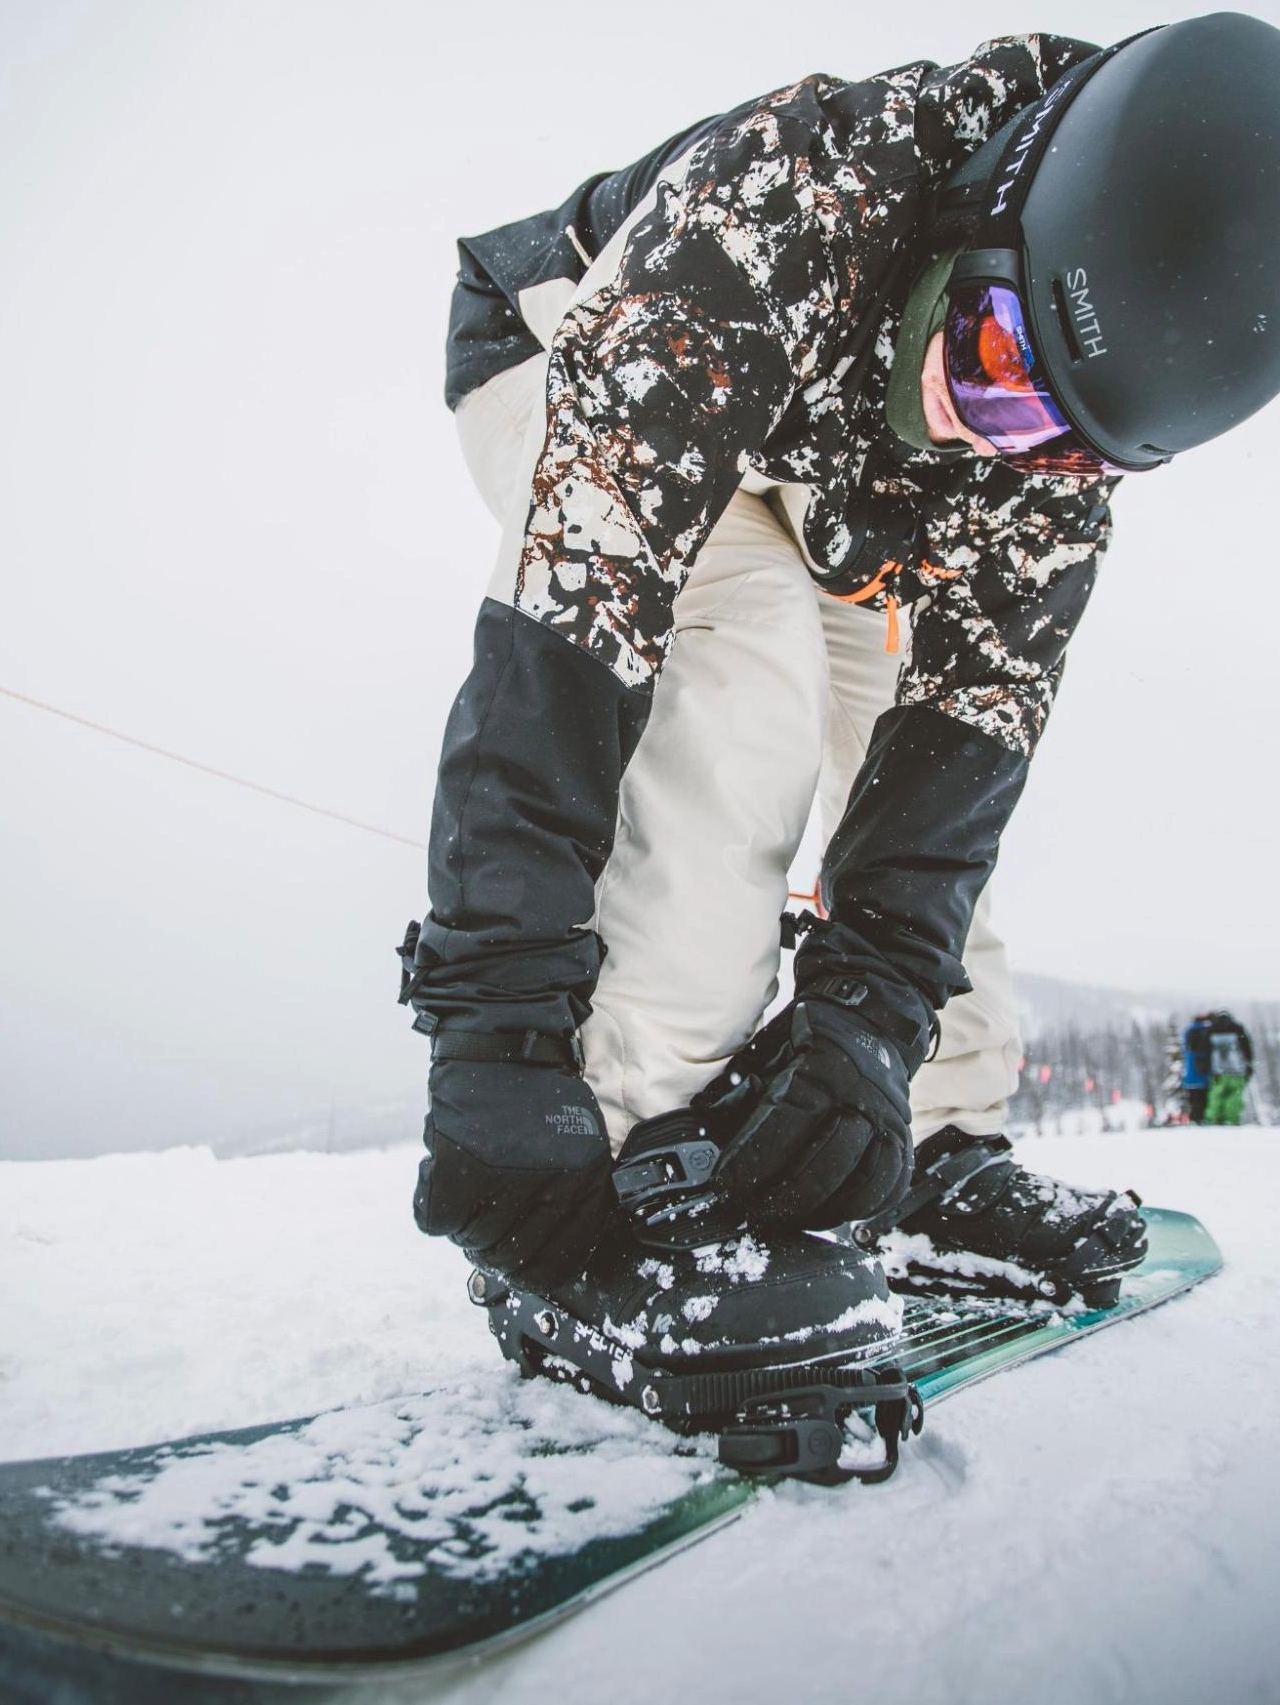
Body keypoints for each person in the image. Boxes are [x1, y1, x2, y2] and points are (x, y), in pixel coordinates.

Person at [398, 17, 1280, 1361]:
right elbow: (573, 644)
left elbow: (966, 752)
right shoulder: (784, 211)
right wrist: (499, 1031)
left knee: (897, 736)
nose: (977, 413)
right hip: (589, 339)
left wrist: (868, 1024)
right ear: (997, 205)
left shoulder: (1028, 468)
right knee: (742, 669)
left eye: (1044, 427)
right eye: (990, 347)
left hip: (839, 476)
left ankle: (930, 1139)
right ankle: (616, 1172)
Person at [1184, 1011, 1254, 1126]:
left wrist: (1204, 1067)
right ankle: (1231, 1119)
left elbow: (1205, 1052)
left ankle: (1214, 1119)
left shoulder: (1211, 1031)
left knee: (1216, 1096)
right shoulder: (1238, 1029)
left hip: (1218, 1071)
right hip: (1237, 1070)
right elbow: (1247, 1050)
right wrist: (1249, 1066)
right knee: (1234, 1095)